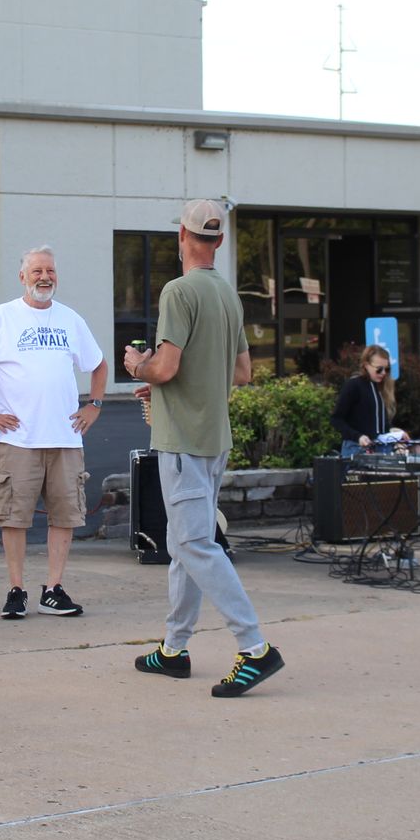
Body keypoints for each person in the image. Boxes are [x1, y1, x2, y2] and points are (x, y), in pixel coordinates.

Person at [122, 200, 283, 698]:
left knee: (194, 545)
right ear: (218, 240)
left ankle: (255, 648)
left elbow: (165, 368)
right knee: (183, 544)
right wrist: (171, 381)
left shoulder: (178, 291)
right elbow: (240, 373)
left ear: (181, 237)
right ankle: (174, 648)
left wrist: (138, 367)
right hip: (214, 440)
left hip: (182, 442)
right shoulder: (227, 295)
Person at [0, 246, 108, 619]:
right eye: (37, 270)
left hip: (65, 439)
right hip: (18, 440)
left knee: (65, 517)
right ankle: (17, 590)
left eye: (50, 270)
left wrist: (95, 405)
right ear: (22, 276)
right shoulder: (2, 318)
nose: (45, 277)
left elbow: (99, 364)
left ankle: (53, 590)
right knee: (14, 518)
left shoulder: (70, 319)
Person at [333, 345, 396, 460]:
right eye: (379, 369)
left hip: (380, 449)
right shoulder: (354, 385)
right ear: (366, 365)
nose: (383, 373)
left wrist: (396, 435)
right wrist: (358, 437)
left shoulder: (381, 388)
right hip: (356, 449)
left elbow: (379, 425)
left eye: (387, 369)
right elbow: (337, 419)